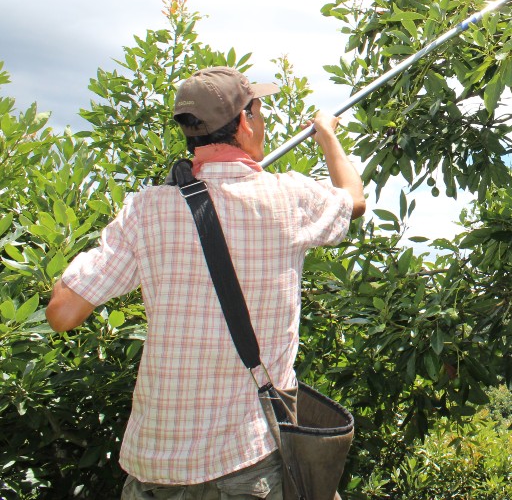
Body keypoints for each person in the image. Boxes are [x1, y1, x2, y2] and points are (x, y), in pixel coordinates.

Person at [45, 66, 366, 499]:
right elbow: (353, 200)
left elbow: (62, 313)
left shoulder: (147, 210)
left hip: (154, 467)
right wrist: (327, 134)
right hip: (247, 462)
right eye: (259, 110)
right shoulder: (291, 199)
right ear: (244, 122)